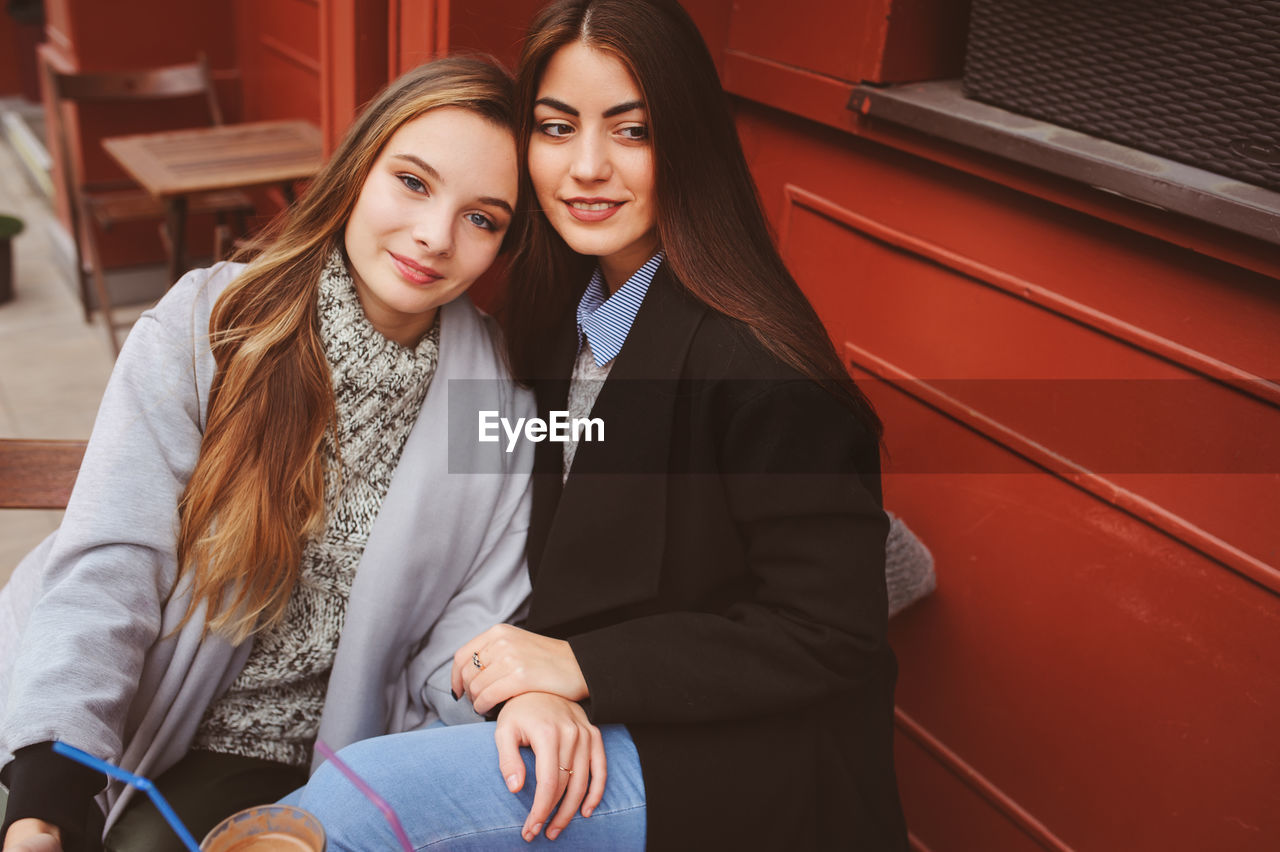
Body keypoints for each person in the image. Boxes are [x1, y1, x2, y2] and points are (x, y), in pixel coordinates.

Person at [292, 1, 909, 849]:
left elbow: (833, 633)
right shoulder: (556, 319)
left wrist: (583, 669)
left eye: (632, 131)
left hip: (740, 760)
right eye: (556, 127)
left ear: (687, 138)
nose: (586, 167)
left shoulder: (759, 363)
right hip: (584, 707)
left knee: (365, 804)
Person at [0, 56, 534, 852]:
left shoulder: (498, 403)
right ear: (358, 171)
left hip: (333, 752)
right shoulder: (209, 323)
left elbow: (466, 631)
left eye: (482, 218)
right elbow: (113, 562)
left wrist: (516, 698)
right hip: (129, 716)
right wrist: (47, 794)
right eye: (413, 183)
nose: (434, 236)